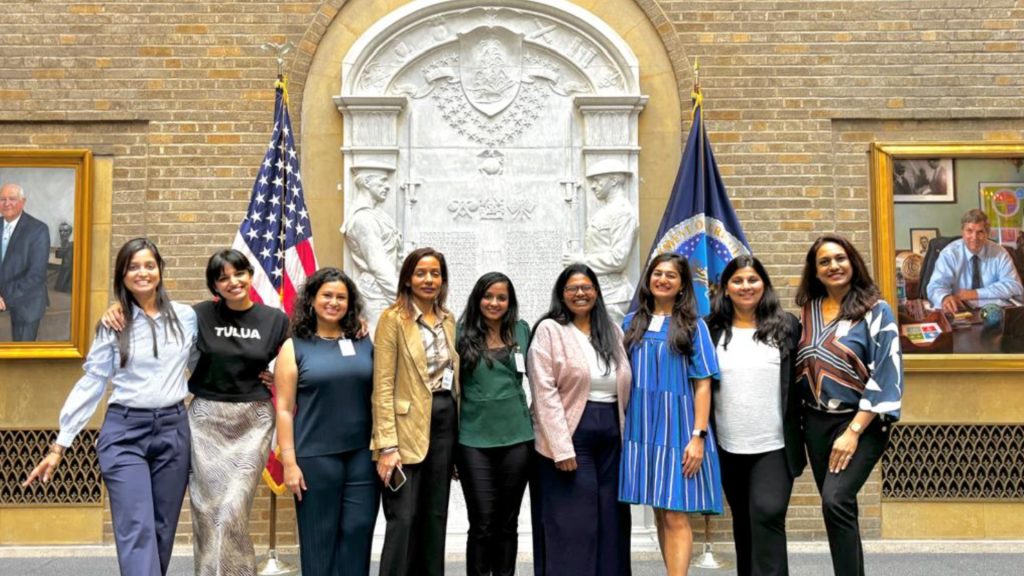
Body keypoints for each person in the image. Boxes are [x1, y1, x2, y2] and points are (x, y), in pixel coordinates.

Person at [102, 248, 290, 575]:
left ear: (250, 275)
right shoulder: (198, 315)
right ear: (214, 286)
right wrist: (118, 308)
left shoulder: (275, 319)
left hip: (253, 422)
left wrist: (280, 375)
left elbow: (302, 356)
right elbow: (153, 316)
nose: (233, 282)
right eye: (223, 277)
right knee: (206, 510)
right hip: (205, 420)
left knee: (232, 509)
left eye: (239, 273)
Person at [24, 238, 196, 575]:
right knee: (137, 528)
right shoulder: (113, 323)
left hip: (174, 431)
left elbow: (214, 356)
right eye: (133, 267)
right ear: (122, 274)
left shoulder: (186, 317)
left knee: (162, 530)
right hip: (124, 433)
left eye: (149, 265)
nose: (142, 273)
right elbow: (92, 383)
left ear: (160, 270)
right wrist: (59, 445)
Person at [795, 234, 903, 576]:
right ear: (815, 271)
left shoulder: (876, 310)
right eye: (824, 261)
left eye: (839, 258)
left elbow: (888, 370)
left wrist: (854, 431)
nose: (833, 266)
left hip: (861, 422)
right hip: (815, 424)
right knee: (840, 509)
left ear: (852, 261)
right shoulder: (808, 311)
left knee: (836, 500)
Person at [619, 253, 721, 576]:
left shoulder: (694, 326)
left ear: (681, 285)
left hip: (679, 430)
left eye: (671, 276)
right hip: (642, 430)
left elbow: (703, 385)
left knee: (677, 514)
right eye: (657, 273)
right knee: (661, 512)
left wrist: (698, 436)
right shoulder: (631, 323)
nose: (663, 279)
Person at [528, 263, 632, 576]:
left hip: (612, 434)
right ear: (562, 294)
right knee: (574, 523)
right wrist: (561, 448)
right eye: (572, 288)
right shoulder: (549, 330)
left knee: (612, 519)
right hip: (573, 436)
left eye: (586, 287)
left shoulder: (612, 330)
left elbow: (625, 379)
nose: (580, 293)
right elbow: (544, 392)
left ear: (597, 292)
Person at [274, 267, 378, 576]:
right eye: (327, 295)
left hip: (362, 457)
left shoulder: (362, 340)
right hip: (315, 458)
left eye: (341, 297)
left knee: (358, 535)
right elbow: (283, 408)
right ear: (312, 300)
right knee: (319, 543)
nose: (334, 302)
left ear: (350, 303)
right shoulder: (295, 346)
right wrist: (289, 464)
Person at [707, 255, 806, 576]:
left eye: (752, 280)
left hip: (775, 445)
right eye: (738, 281)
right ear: (725, 288)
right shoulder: (711, 331)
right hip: (728, 446)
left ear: (764, 284)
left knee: (767, 514)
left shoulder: (787, 327)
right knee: (745, 523)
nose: (745, 286)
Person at [373, 247, 460, 576]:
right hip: (404, 427)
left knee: (434, 516)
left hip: (443, 422)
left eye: (435, 273)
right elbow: (382, 384)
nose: (429, 279)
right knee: (404, 517)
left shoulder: (448, 320)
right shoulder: (392, 319)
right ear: (408, 279)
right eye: (421, 273)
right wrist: (387, 445)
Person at [455, 272, 533, 576]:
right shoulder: (459, 334)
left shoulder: (523, 331)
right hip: (474, 441)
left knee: (508, 522)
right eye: (488, 296)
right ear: (477, 299)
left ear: (510, 301)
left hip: (517, 439)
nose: (494, 302)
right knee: (482, 522)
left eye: (502, 297)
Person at [562, 159, 638, 325]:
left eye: (598, 180)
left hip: (613, 296)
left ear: (614, 180)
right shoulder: (607, 211)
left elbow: (619, 258)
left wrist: (582, 261)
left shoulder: (623, 212)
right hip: (600, 292)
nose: (593, 186)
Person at [341, 163, 401, 333]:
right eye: (382, 181)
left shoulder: (378, 215)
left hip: (385, 290)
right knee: (380, 347)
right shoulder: (363, 219)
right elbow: (378, 265)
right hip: (378, 293)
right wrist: (403, 301)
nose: (387, 186)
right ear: (367, 182)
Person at [926, 208, 1023, 313]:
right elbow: (935, 286)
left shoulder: (999, 252)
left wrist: (976, 293)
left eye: (980, 232)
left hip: (994, 313)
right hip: (960, 312)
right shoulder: (950, 254)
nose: (974, 237)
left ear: (987, 234)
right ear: (962, 232)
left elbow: (1015, 286)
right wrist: (944, 297)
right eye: (969, 231)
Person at [0, 182, 51, 341]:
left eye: (12, 199)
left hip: (27, 303)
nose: (7, 203)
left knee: (22, 356)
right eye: (2, 199)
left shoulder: (38, 230)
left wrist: (4, 297)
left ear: (23, 202)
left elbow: (36, 276)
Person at [55, 221, 74, 293]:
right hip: (64, 271)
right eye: (60, 231)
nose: (62, 233)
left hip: (70, 273)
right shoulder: (64, 244)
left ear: (70, 232)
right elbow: (58, 255)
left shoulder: (72, 245)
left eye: (66, 231)